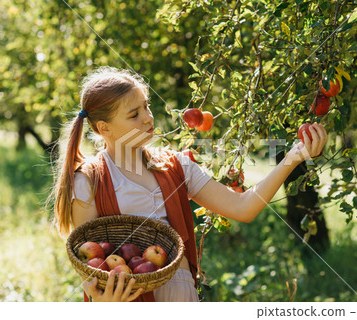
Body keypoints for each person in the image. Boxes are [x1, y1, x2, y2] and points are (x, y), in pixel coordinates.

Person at [52, 66, 328, 302]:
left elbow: (243, 207)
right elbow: (90, 263)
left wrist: (293, 157)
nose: (148, 117)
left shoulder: (176, 166)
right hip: (126, 302)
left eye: (147, 106)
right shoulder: (89, 181)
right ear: (104, 128)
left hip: (179, 294)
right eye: (134, 114)